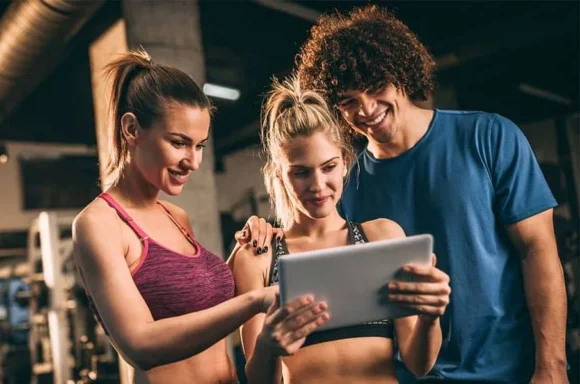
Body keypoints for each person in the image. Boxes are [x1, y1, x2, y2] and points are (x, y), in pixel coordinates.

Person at [296, 5, 568, 383]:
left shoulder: (489, 137)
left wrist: (551, 366)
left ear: (402, 75)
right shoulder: (343, 182)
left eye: (376, 88)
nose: (367, 110)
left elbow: (538, 252)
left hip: (507, 370)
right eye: (349, 101)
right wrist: (264, 231)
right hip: (405, 375)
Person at [71, 50, 324, 384]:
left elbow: (202, 305)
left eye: (200, 145)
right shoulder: (99, 224)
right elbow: (141, 346)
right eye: (179, 143)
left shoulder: (176, 216)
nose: (193, 161)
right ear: (132, 128)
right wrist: (256, 300)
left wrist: (248, 245)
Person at [231, 74, 450, 384]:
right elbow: (259, 381)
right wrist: (268, 345)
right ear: (279, 175)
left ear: (345, 161)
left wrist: (430, 318)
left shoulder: (382, 238)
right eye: (301, 173)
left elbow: (418, 364)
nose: (318, 186)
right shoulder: (258, 257)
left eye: (329, 167)